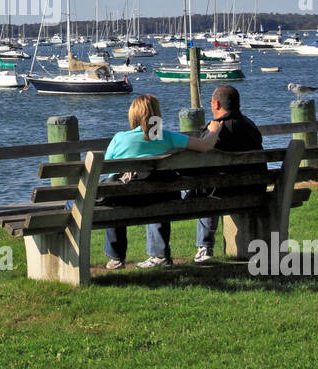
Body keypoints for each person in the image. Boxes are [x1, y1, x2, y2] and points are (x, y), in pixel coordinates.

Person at [102, 94, 219, 270]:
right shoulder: (167, 137)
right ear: (157, 114)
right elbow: (204, 146)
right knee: (156, 190)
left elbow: (108, 170)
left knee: (113, 196)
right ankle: (160, 255)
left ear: (133, 115)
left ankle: (116, 257)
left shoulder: (120, 138)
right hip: (161, 196)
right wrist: (215, 130)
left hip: (126, 199)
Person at [194, 84, 265, 263]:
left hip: (225, 192)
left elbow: (199, 158)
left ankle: (205, 246)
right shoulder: (250, 126)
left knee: (206, 188)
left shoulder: (216, 130)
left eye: (211, 101)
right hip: (255, 189)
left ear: (216, 104)